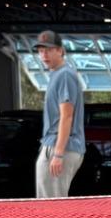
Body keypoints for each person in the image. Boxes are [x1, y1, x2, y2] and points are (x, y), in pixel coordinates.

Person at [34, 30, 84, 199]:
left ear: (61, 50)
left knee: (53, 205)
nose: (44, 55)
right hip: (55, 145)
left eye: (48, 50)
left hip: (60, 147)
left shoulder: (64, 75)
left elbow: (67, 116)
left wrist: (58, 154)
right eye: (41, 51)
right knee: (50, 203)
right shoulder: (58, 74)